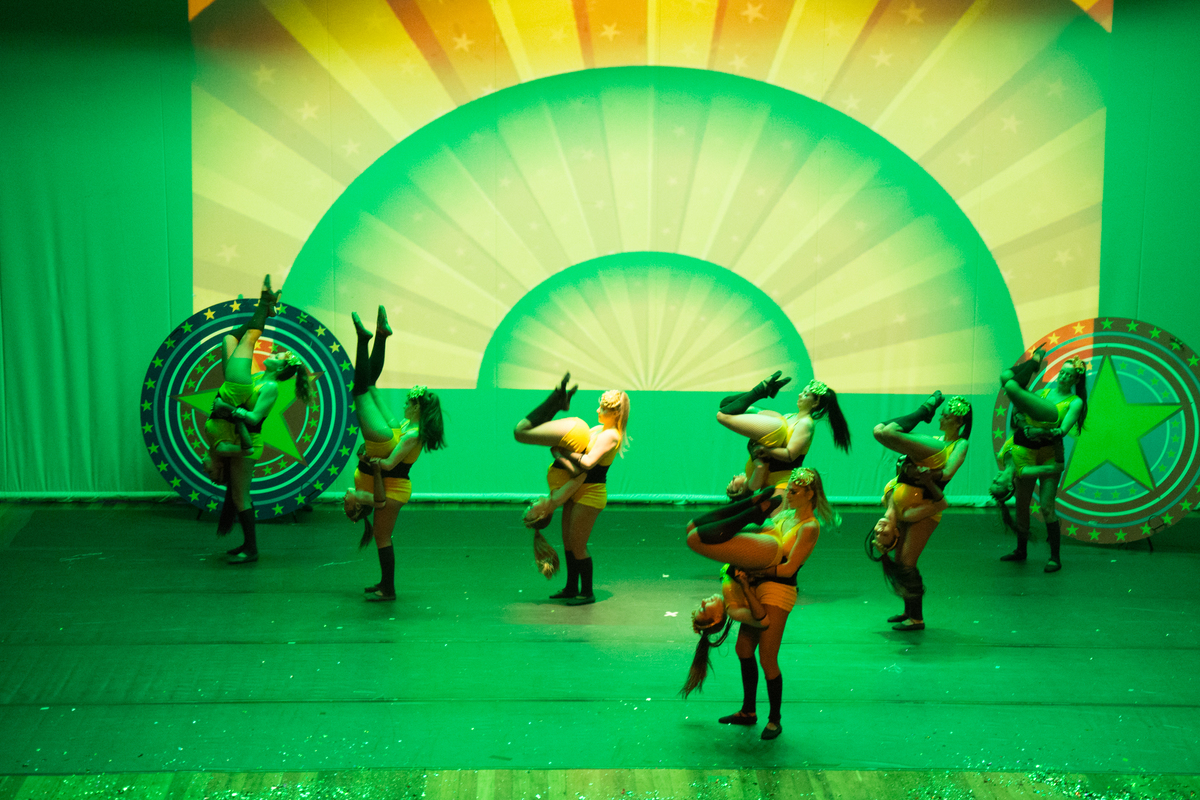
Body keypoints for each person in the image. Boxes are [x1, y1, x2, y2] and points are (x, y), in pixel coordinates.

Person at [681, 467, 838, 741]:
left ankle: (775, 719)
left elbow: (789, 569)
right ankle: (748, 710)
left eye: (794, 491)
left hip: (778, 589)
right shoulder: (786, 516)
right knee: (743, 648)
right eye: (789, 489)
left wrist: (755, 574)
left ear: (810, 494)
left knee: (767, 658)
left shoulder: (809, 527)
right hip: (756, 583)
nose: (788, 494)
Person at [206, 275, 313, 565]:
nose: (273, 353)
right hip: (237, 433)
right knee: (230, 340)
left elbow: (254, 417)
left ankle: (251, 549)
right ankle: (266, 308)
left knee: (241, 496)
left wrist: (229, 411)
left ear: (281, 369)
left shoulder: (271, 387)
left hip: (249, 441)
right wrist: (228, 411)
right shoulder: (256, 379)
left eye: (278, 355)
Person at [343, 308, 446, 601]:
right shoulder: (408, 427)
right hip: (389, 471)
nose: (404, 405)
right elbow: (375, 391)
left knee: (383, 536)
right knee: (367, 388)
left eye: (408, 403)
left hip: (393, 485)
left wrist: (368, 460)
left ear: (417, 407)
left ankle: (388, 588)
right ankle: (379, 337)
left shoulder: (414, 434)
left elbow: (388, 464)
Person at [515, 378, 631, 605]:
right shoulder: (599, 430)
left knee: (578, 545)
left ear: (615, 413)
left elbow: (587, 463)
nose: (597, 410)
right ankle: (571, 587)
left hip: (590, 494)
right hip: (579, 489)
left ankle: (586, 592)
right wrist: (560, 453)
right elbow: (581, 462)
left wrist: (562, 453)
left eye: (602, 408)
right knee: (569, 542)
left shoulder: (611, 435)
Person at [869, 392, 971, 630]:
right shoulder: (932, 439)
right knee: (880, 432)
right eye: (941, 415)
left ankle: (916, 618)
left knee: (907, 562)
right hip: (907, 505)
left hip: (923, 507)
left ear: (959, 421)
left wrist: (924, 475)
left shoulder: (959, 444)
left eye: (946, 416)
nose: (941, 419)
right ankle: (909, 611)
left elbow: (947, 473)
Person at [992, 349, 1088, 572]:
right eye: (1062, 372)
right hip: (1028, 451)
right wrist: (1024, 425)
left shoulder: (1074, 402)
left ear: (1076, 380)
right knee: (1022, 504)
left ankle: (1055, 557)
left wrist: (1043, 431)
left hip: (1050, 452)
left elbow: (1062, 430)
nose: (1063, 377)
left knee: (1046, 506)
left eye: (1069, 375)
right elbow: (1019, 416)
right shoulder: (1043, 393)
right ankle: (1021, 549)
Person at [717, 374, 851, 502]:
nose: (800, 395)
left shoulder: (806, 423)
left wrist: (766, 450)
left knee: (723, 415)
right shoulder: (789, 416)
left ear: (815, 403)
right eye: (802, 392)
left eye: (806, 394)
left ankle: (760, 392)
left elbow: (790, 455)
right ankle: (762, 392)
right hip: (770, 474)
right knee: (726, 405)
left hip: (781, 479)